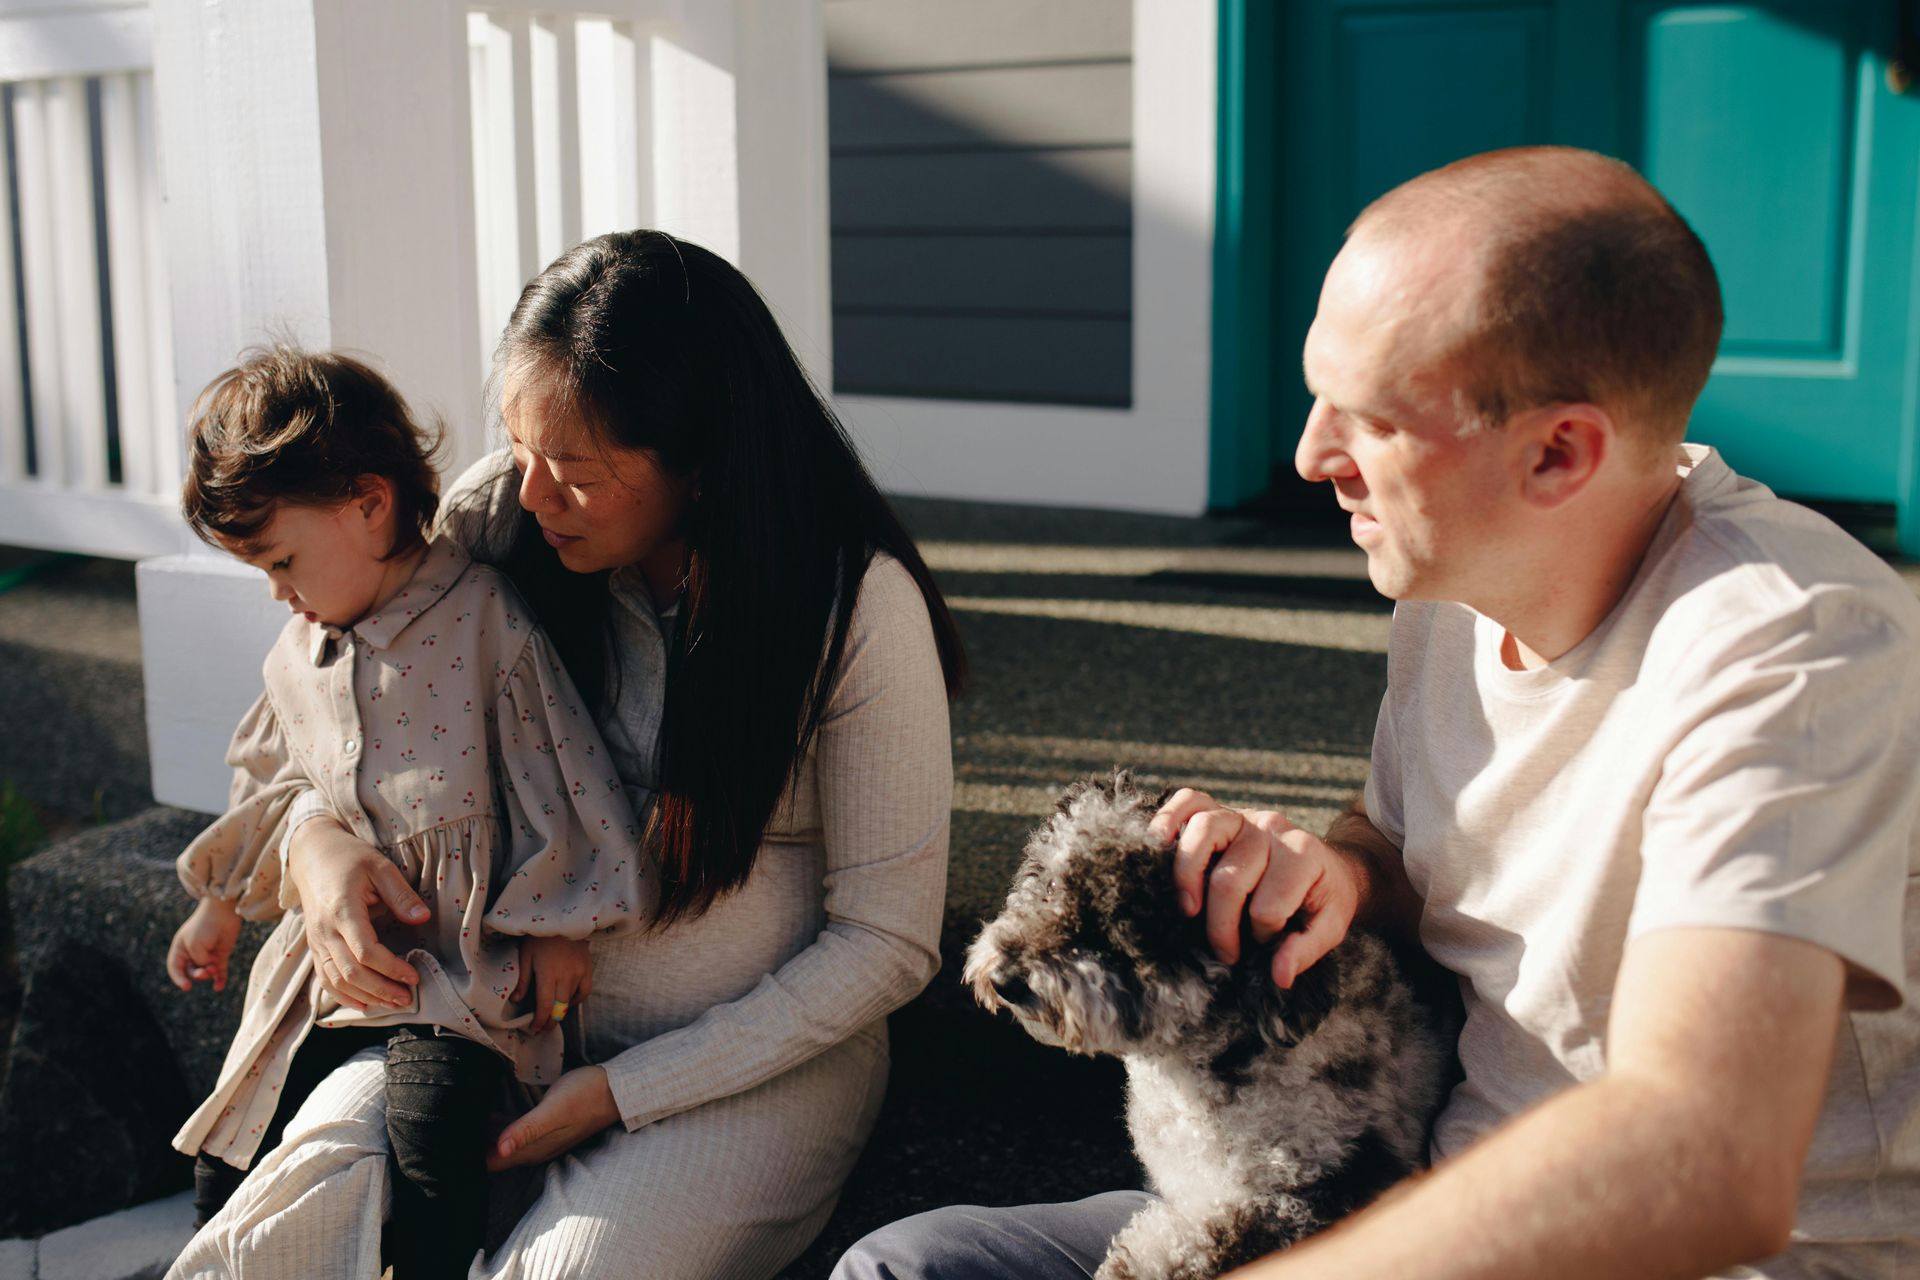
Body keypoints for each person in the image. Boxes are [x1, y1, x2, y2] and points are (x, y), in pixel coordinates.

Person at [835, 147, 1920, 1279]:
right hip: (1427, 1180)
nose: (1309, 455)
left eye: (1367, 420)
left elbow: (1703, 1162)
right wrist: (1335, 871)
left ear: (1558, 451)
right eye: (1317, 395)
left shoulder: (1789, 647)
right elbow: (1405, 847)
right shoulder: (1461, 579)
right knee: (912, 1266)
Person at [168, 230, 966, 1280]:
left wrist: (627, 1090)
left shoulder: (854, 609)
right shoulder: (501, 518)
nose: (533, 491)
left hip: (743, 1073)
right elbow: (332, 706)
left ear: (700, 462)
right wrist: (316, 845)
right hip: (476, 1013)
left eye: (577, 472)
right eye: (518, 443)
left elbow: (886, 943)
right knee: (282, 1229)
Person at [165, 347, 645, 1280]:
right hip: (327, 971)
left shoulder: (479, 619)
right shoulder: (299, 650)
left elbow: (557, 768)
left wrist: (560, 922)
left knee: (431, 1140)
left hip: (453, 972)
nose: (278, 591)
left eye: (282, 560)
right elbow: (271, 780)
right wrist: (220, 902)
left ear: (370, 505)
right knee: (236, 1133)